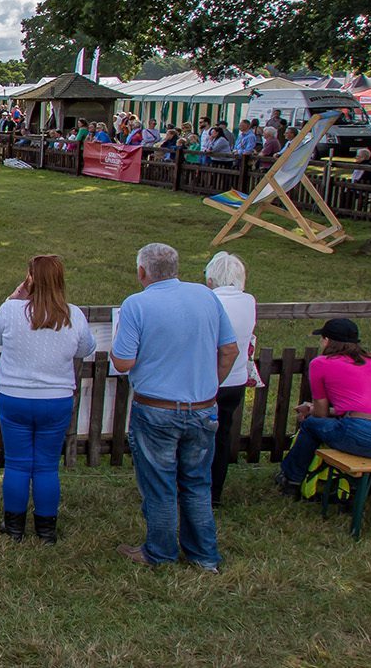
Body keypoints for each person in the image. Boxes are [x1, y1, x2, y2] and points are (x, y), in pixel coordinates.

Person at [111, 243, 236, 572]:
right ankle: (204, 556)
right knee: (197, 483)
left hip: (157, 408)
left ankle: (160, 552)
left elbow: (123, 362)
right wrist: (211, 385)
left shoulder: (137, 305)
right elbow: (230, 349)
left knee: (160, 482)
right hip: (203, 406)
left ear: (142, 272)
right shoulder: (206, 297)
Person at [0, 254, 94, 543]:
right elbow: (85, 349)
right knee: (46, 465)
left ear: (30, 279)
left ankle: (15, 526)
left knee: (18, 463)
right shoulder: (73, 314)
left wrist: (14, 296)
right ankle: (46, 530)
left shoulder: (12, 311)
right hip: (55, 398)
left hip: (15, 396)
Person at [275, 318, 371, 492]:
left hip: (369, 436)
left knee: (311, 424)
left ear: (327, 340)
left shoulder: (321, 363)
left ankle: (291, 478)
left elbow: (320, 415)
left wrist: (313, 410)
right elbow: (368, 408)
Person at [203, 252, 257, 506]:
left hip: (209, 379)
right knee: (222, 435)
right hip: (235, 379)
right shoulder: (248, 301)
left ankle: (193, 488)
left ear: (211, 278)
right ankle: (215, 492)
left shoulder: (208, 300)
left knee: (197, 437)